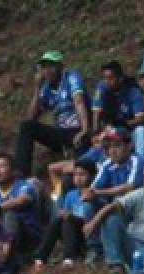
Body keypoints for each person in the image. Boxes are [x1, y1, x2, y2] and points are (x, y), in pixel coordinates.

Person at [84, 160, 144, 274]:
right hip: (132, 244)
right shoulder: (141, 193)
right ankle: (115, 265)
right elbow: (114, 205)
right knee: (111, 218)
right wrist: (94, 222)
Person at [14, 50, 89, 179]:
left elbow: (79, 102)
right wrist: (37, 88)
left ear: (60, 66)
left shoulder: (71, 77)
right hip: (62, 133)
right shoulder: (46, 87)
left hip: (78, 129)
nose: (47, 71)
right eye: (43, 67)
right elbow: (32, 116)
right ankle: (21, 175)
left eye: (51, 66)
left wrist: (85, 129)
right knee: (27, 126)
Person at [33, 160, 94, 270]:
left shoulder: (95, 193)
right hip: (70, 231)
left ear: (92, 176)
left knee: (68, 220)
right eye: (75, 174)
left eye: (82, 174)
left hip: (87, 230)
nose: (78, 178)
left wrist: (69, 216)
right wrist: (65, 214)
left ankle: (69, 258)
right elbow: (64, 212)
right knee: (58, 221)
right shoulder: (71, 194)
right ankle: (40, 257)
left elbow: (89, 217)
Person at [92, 61, 144, 158]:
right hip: (109, 130)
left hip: (129, 131)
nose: (107, 81)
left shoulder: (133, 92)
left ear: (120, 78)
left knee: (141, 130)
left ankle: (141, 162)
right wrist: (96, 133)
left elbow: (141, 119)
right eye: (104, 78)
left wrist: (123, 124)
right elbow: (97, 112)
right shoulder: (102, 87)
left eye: (110, 78)